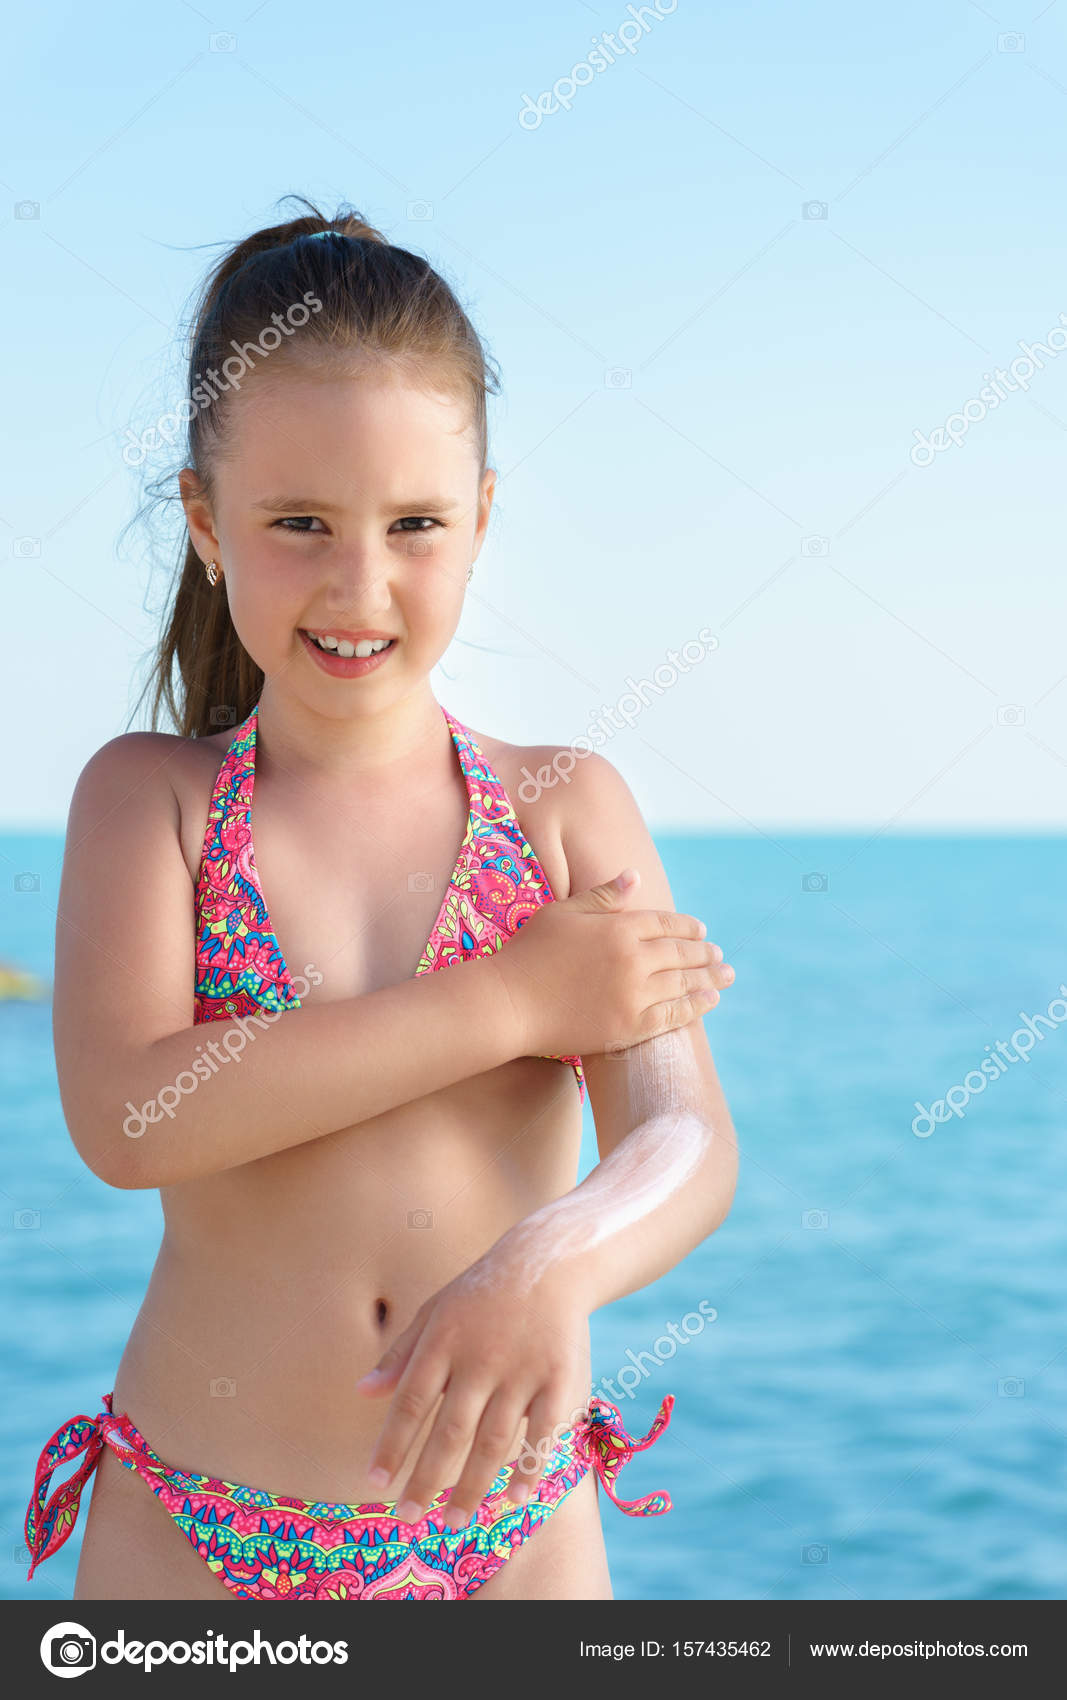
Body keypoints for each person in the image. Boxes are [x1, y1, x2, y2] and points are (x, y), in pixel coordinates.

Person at [24, 199, 738, 1602]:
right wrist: (513, 999)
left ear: (481, 519)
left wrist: (556, 1259)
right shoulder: (152, 800)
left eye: (415, 524)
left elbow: (686, 1142)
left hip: (511, 1537)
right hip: (195, 1533)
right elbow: (131, 1116)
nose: (361, 583)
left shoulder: (562, 808)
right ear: (205, 521)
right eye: (300, 522)